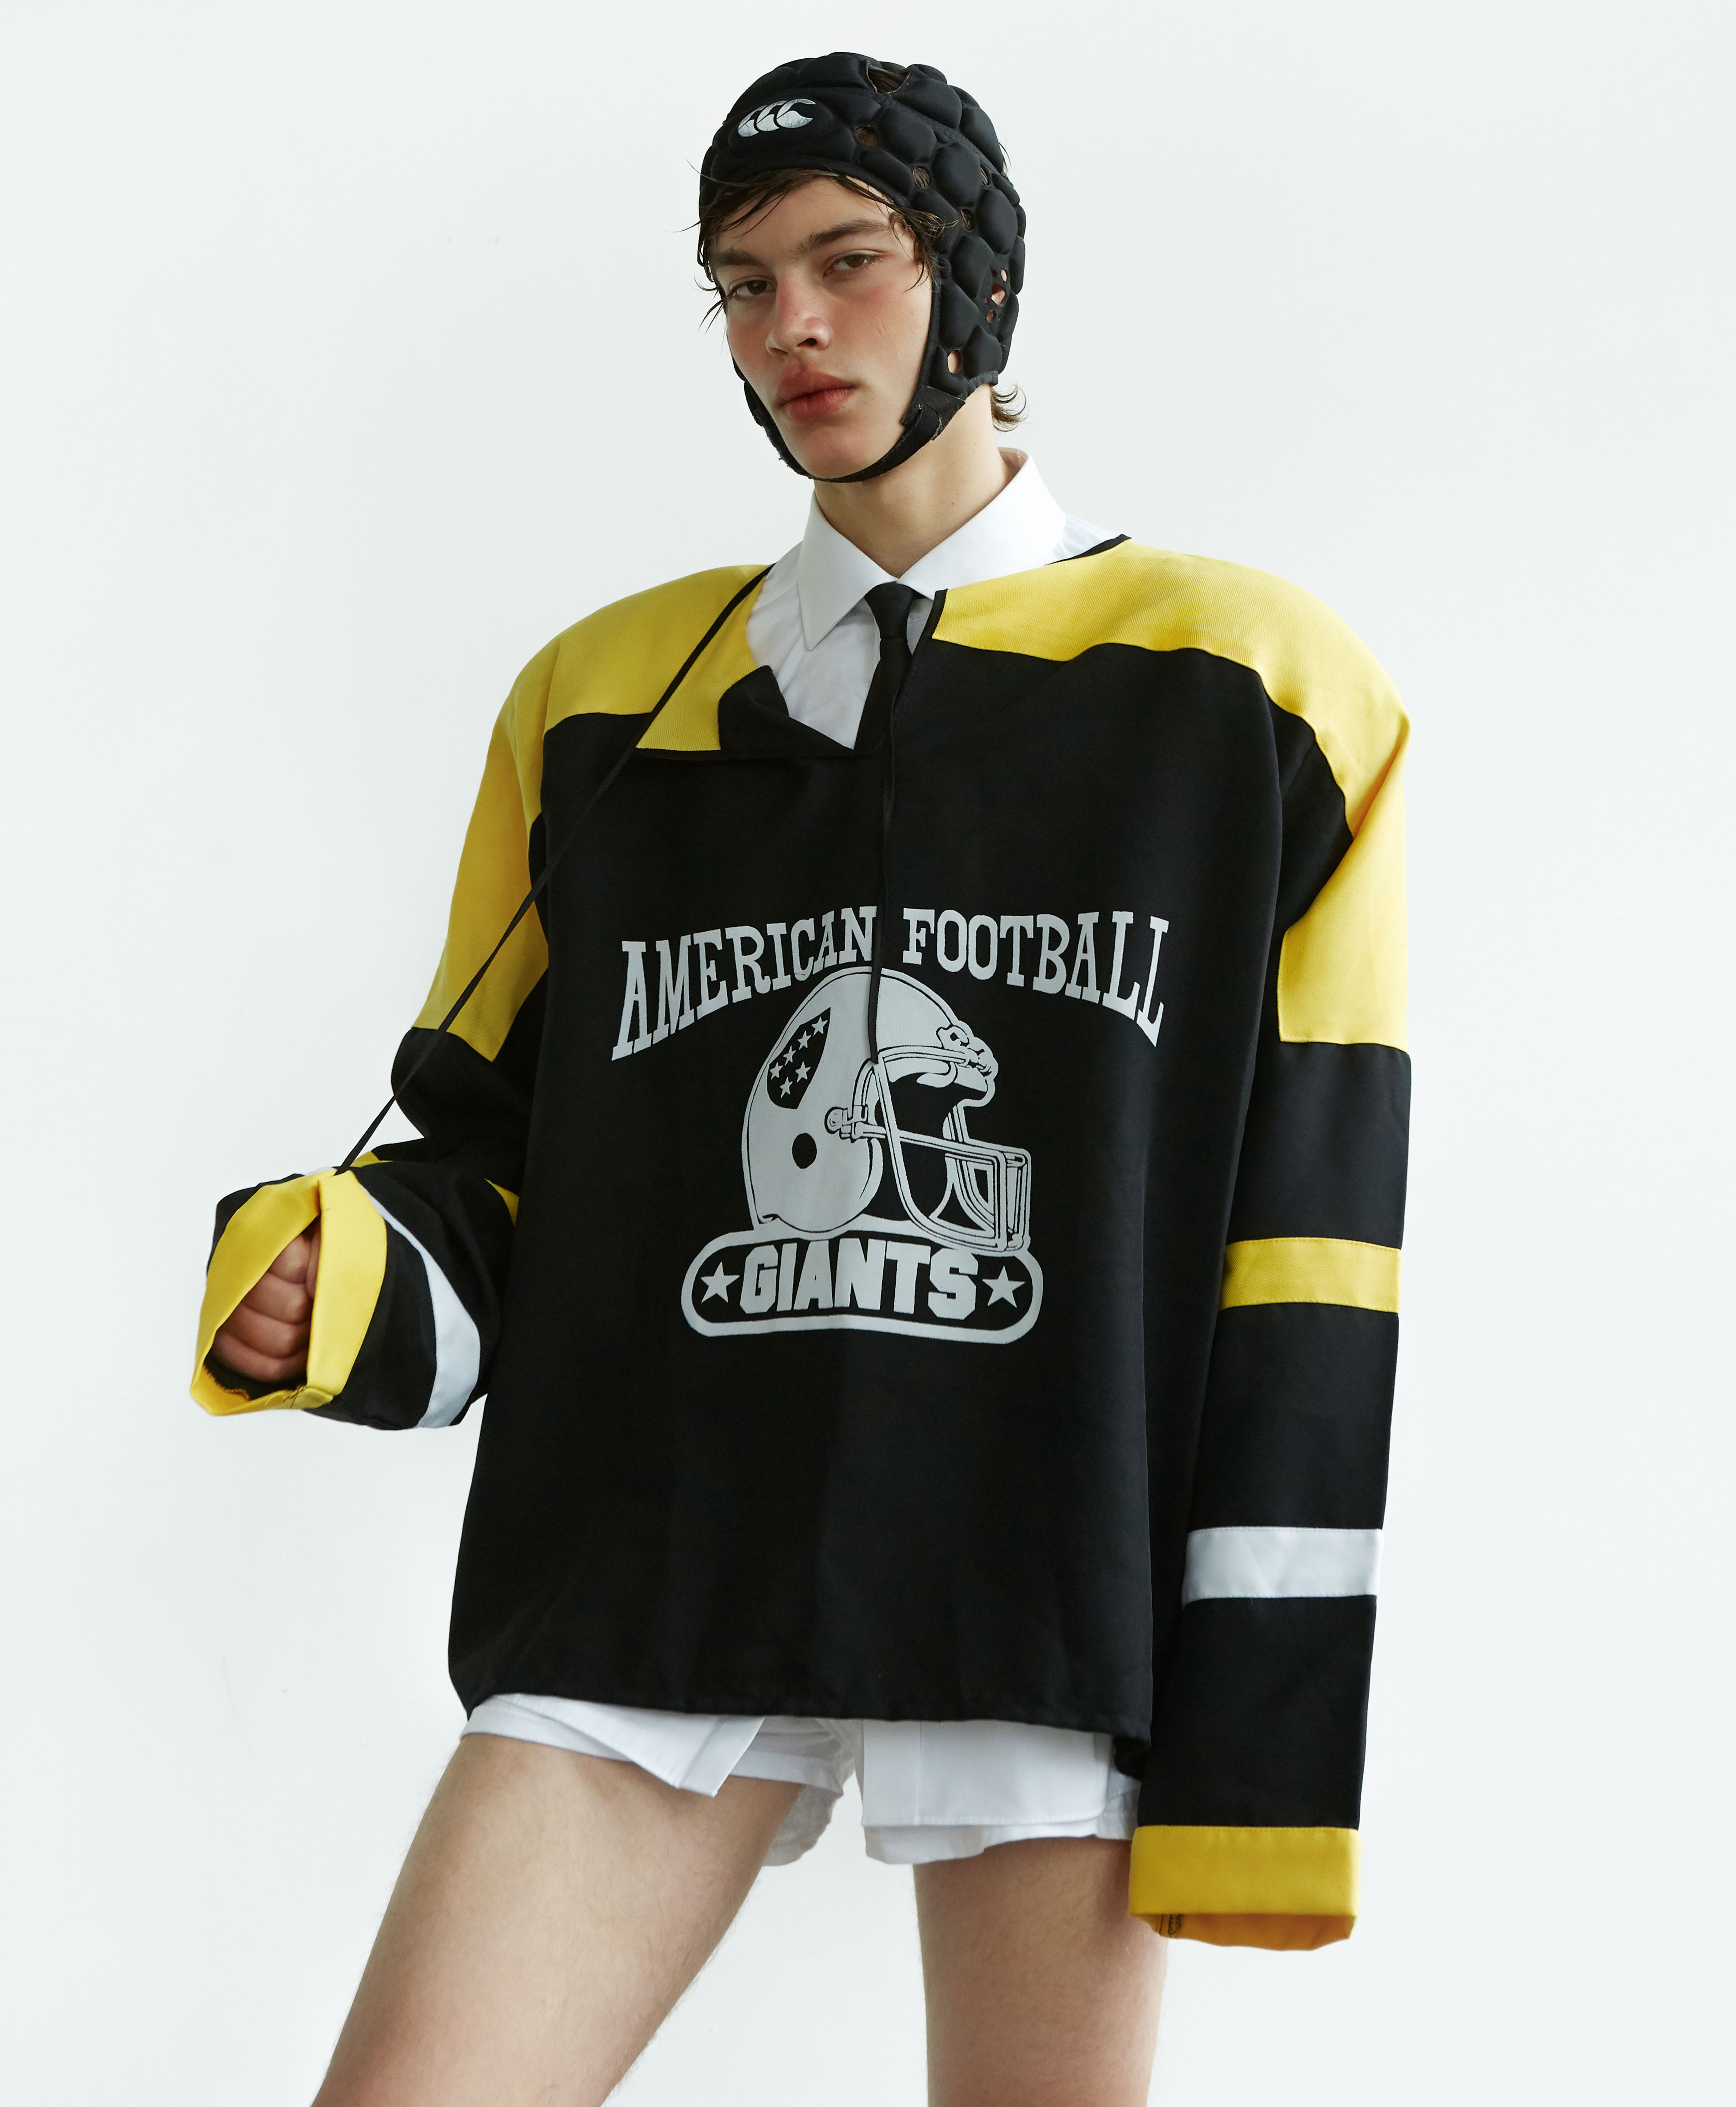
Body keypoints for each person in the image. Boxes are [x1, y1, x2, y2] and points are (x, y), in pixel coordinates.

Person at [193, 51, 1410, 2107]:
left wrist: (1262, 1748)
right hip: (653, 1553)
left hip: (1045, 1566)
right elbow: (499, 1154)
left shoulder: (1253, 693)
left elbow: (1310, 1251)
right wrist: (346, 1283)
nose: (794, 330)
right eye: (745, 286)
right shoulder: (604, 702)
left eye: (851, 262)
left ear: (981, 286)